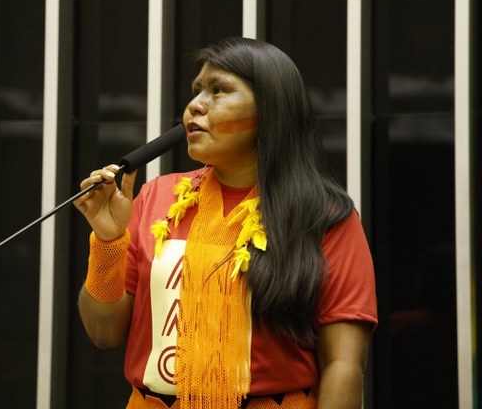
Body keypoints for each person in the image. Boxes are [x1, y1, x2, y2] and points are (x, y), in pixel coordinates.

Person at [74, 37, 378, 409]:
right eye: (196, 91)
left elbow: (343, 365)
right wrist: (108, 240)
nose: (194, 106)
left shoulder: (323, 216)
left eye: (218, 91)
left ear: (272, 109)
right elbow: (104, 334)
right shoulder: (157, 196)